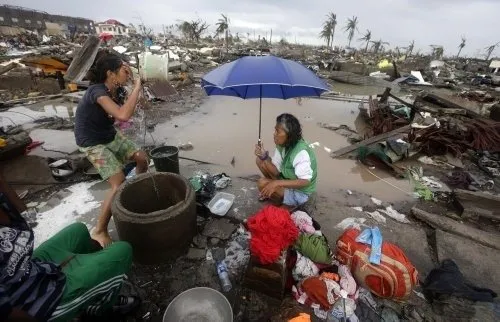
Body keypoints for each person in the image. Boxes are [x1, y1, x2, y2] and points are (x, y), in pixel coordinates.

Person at [0, 174, 137, 321]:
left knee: (78, 231)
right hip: (39, 303)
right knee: (122, 251)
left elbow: (17, 215)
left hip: (29, 268)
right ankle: (98, 309)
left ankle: (94, 291)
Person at [74, 54, 148, 247]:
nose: (126, 74)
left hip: (108, 135)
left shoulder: (117, 89)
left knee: (142, 158)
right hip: (92, 141)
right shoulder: (96, 92)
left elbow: (140, 106)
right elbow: (123, 115)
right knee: (118, 182)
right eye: (122, 71)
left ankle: (135, 193)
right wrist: (137, 85)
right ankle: (99, 231)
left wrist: (135, 83)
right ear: (110, 74)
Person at [255, 113, 318, 208]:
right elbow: (276, 172)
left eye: (277, 131)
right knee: (260, 160)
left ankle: (285, 202)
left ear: (289, 135)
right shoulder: (282, 145)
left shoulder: (300, 152)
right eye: (275, 130)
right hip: (288, 180)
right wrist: (263, 156)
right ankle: (278, 195)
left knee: (262, 183)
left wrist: (276, 183)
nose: (274, 133)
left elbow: (305, 181)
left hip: (300, 192)